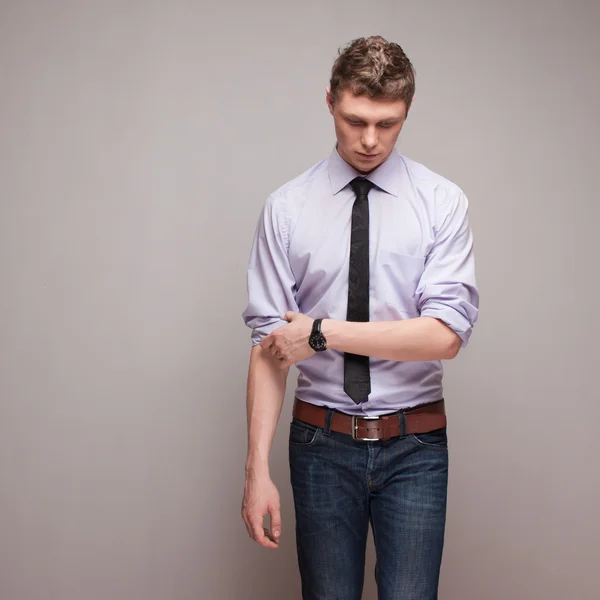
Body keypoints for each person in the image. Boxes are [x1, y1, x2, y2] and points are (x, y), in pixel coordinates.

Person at [240, 35, 479, 600]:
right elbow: (269, 348)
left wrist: (321, 333)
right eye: (355, 120)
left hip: (415, 446)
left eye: (388, 124)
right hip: (319, 445)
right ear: (330, 102)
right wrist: (256, 470)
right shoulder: (287, 209)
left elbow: (444, 336)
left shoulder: (442, 203)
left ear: (407, 112)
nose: (370, 140)